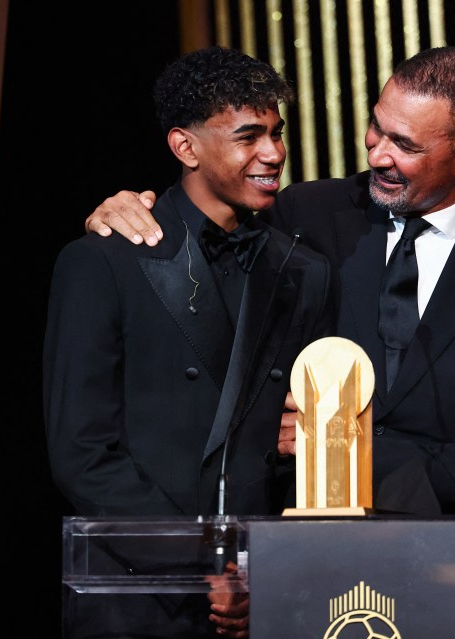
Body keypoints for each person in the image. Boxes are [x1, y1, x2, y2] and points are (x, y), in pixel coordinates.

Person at [84, 46, 455, 639]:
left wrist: (342, 449)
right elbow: (199, 231)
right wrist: (127, 212)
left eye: (406, 146)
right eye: (376, 128)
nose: (378, 154)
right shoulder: (301, 214)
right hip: (313, 588)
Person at [45, 46, 334, 638]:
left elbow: (292, 450)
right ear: (186, 146)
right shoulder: (103, 262)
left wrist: (270, 572)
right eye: (249, 136)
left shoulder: (303, 270)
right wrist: (204, 564)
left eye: (277, 134)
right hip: (139, 597)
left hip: (264, 601)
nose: (274, 154)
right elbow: (83, 453)